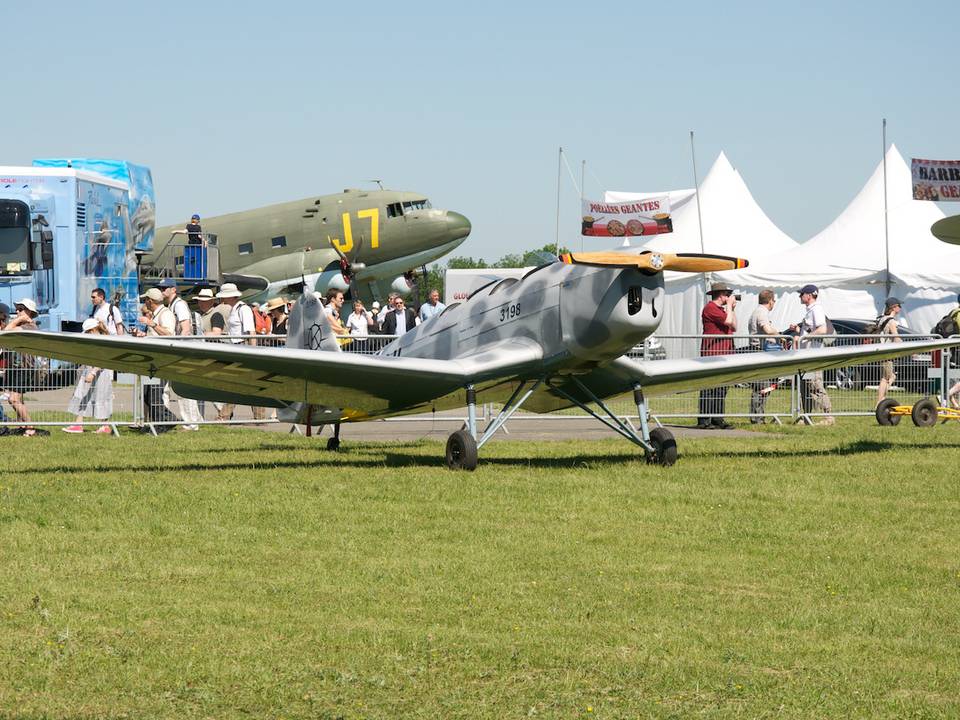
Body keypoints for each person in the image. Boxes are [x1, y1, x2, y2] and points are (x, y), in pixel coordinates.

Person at [216, 283, 266, 421]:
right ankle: (258, 418)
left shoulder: (243, 309)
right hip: (238, 347)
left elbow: (251, 332)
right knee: (240, 384)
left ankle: (225, 416)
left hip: (244, 348)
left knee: (241, 383)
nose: (222, 300)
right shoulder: (235, 309)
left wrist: (253, 353)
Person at [789, 284, 834, 425]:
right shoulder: (810, 310)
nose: (800, 297)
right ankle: (806, 417)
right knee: (805, 387)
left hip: (813, 355)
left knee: (815, 386)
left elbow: (822, 329)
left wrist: (805, 337)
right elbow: (810, 329)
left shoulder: (817, 309)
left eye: (801, 294)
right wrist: (798, 330)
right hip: (806, 355)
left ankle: (829, 416)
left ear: (809, 295)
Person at [159, 278, 201, 430]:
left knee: (182, 389)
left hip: (181, 350)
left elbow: (186, 328)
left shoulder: (179, 304)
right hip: (175, 349)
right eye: (161, 288)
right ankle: (164, 420)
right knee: (168, 388)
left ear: (173, 289)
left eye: (165, 288)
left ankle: (191, 424)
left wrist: (178, 347)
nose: (162, 290)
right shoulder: (169, 305)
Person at [135, 288, 178, 431]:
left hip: (161, 359)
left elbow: (169, 334)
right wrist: (143, 334)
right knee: (148, 394)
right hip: (152, 359)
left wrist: (151, 324)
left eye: (145, 299)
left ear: (150, 301)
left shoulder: (165, 314)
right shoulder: (156, 314)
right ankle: (163, 422)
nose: (144, 302)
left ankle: (166, 422)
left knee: (154, 395)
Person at [696, 283, 737, 429]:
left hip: (724, 353)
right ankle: (704, 420)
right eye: (727, 294)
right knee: (709, 386)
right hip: (713, 352)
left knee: (721, 387)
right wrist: (730, 308)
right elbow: (727, 321)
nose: (729, 297)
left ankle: (717, 419)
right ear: (720, 294)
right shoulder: (710, 308)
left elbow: (734, 326)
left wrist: (732, 309)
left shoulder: (722, 310)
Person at [62, 319, 114, 434]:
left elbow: (102, 359)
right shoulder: (97, 339)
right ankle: (79, 424)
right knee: (83, 396)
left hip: (98, 374)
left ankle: (102, 425)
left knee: (99, 398)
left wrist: (93, 372)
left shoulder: (102, 341)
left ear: (93, 330)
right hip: (91, 371)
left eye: (88, 332)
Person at [0, 299, 40, 435]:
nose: (17, 311)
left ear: (29, 311)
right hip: (15, 367)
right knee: (15, 399)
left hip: (24, 368)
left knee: (14, 399)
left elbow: (5, 331)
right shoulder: (22, 324)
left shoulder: (30, 327)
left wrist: (18, 320)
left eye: (20, 309)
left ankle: (30, 427)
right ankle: (24, 426)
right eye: (16, 309)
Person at [747, 289, 782, 423]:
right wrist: (779, 334)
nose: (774, 303)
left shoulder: (758, 311)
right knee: (761, 387)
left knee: (764, 386)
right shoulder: (762, 312)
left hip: (759, 351)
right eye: (774, 300)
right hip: (760, 352)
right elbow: (767, 330)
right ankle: (757, 418)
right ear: (770, 301)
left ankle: (758, 417)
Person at [875, 297, 903, 406]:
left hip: (881, 351)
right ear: (894, 307)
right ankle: (880, 403)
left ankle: (881, 401)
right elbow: (896, 337)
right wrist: (909, 348)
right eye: (899, 306)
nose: (900, 308)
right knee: (887, 378)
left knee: (888, 377)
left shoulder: (882, 319)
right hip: (887, 352)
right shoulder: (891, 321)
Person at [184, 213, 206, 280]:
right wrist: (204, 241)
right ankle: (199, 275)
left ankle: (191, 275)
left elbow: (185, 231)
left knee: (191, 260)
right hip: (197, 245)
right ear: (197, 220)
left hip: (191, 245)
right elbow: (199, 236)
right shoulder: (198, 227)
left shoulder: (188, 226)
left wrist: (176, 231)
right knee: (198, 260)